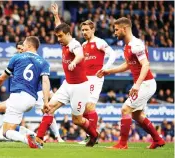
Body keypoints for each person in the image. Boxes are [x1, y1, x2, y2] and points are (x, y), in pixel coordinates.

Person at [97, 17, 165, 149]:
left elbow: (145, 65)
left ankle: (122, 144)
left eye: (116, 30)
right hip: (143, 83)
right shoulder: (127, 46)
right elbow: (128, 65)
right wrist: (109, 71)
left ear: (125, 29)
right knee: (137, 115)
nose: (115, 32)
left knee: (125, 109)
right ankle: (158, 140)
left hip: (146, 83)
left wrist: (137, 85)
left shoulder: (136, 45)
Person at [36, 4, 98, 147]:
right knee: (49, 108)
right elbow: (60, 26)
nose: (58, 39)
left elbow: (80, 54)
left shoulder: (74, 44)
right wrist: (56, 15)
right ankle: (39, 138)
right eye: (57, 36)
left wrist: (74, 62)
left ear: (68, 34)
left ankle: (94, 136)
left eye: (60, 36)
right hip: (67, 85)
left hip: (80, 87)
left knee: (77, 120)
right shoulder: (64, 41)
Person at [0, 36, 50, 148]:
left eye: (25, 45)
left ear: (30, 45)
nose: (22, 47)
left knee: (6, 132)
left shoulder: (17, 57)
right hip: (31, 100)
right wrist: (46, 102)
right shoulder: (44, 62)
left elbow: (2, 78)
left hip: (18, 97)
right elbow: (45, 82)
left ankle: (27, 138)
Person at [78, 19, 117, 144]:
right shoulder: (83, 45)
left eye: (87, 30)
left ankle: (92, 137)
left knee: (90, 106)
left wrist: (105, 68)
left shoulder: (99, 42)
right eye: (82, 30)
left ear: (93, 30)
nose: (84, 32)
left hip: (96, 78)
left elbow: (113, 54)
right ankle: (92, 135)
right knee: (83, 111)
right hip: (84, 79)